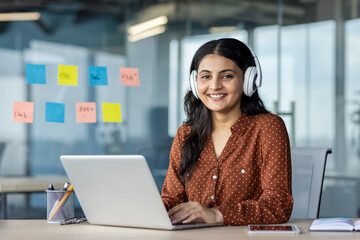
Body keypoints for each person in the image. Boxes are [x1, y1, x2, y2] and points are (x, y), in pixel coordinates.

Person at [161, 38, 293, 226]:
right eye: (206, 76)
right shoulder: (185, 134)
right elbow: (172, 199)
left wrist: (217, 215)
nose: (214, 86)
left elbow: (278, 205)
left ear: (249, 80)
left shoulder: (267, 127)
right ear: (194, 82)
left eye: (227, 76)